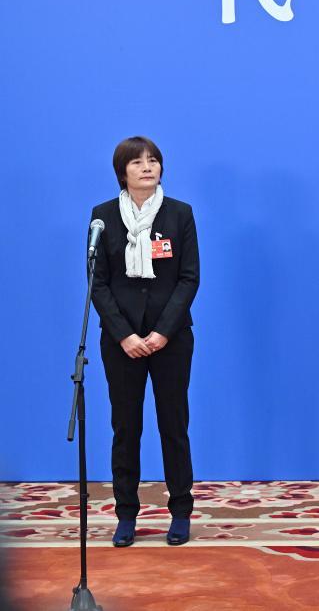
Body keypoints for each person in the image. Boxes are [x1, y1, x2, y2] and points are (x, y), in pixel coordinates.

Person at [90, 136, 200, 547]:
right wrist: (125, 335)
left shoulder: (180, 214)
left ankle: (181, 512)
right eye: (137, 162)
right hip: (122, 343)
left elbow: (189, 278)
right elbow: (98, 284)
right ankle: (126, 515)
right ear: (123, 172)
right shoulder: (102, 218)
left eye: (153, 160)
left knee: (174, 426)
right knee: (125, 428)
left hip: (171, 339)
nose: (147, 167)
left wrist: (161, 332)